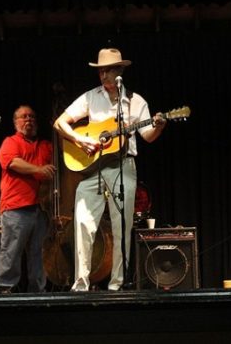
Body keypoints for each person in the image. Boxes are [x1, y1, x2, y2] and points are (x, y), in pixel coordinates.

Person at [53, 48, 166, 291]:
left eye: (107, 70)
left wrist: (159, 126)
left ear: (120, 71)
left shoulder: (135, 101)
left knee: (121, 225)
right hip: (93, 169)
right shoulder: (90, 97)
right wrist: (80, 140)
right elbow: (60, 122)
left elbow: (148, 136)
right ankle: (81, 283)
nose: (102, 75)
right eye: (100, 70)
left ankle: (117, 284)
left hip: (122, 166)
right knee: (83, 221)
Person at [0, 105, 55, 294]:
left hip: (41, 207)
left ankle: (38, 292)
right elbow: (12, 162)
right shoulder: (11, 142)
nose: (28, 120)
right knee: (11, 251)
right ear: (15, 122)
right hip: (16, 206)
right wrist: (38, 170)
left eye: (32, 116)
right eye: (23, 117)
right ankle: (4, 289)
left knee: (39, 253)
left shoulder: (46, 145)